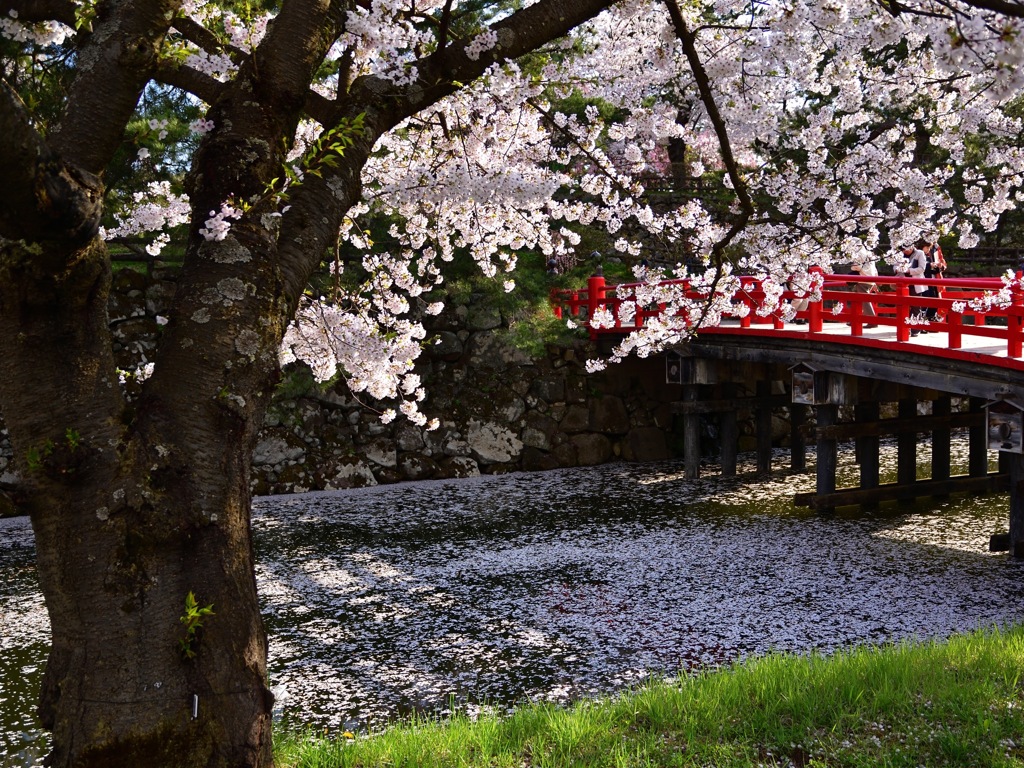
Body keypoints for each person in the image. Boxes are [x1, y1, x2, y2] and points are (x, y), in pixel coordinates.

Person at [899, 242, 929, 335]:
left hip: (915, 283)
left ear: (911, 247)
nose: (905, 251)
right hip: (903, 283)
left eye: (906, 249)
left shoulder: (919, 253)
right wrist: (897, 269)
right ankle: (904, 328)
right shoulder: (899, 254)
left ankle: (915, 329)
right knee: (902, 306)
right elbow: (895, 265)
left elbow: (922, 268)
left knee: (915, 306)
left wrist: (908, 270)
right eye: (903, 250)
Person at [849, 255, 878, 327]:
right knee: (858, 299)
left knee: (865, 300)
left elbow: (856, 267)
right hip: (870, 277)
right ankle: (855, 319)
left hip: (863, 278)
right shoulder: (870, 253)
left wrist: (852, 267)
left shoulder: (860, 252)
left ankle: (872, 321)